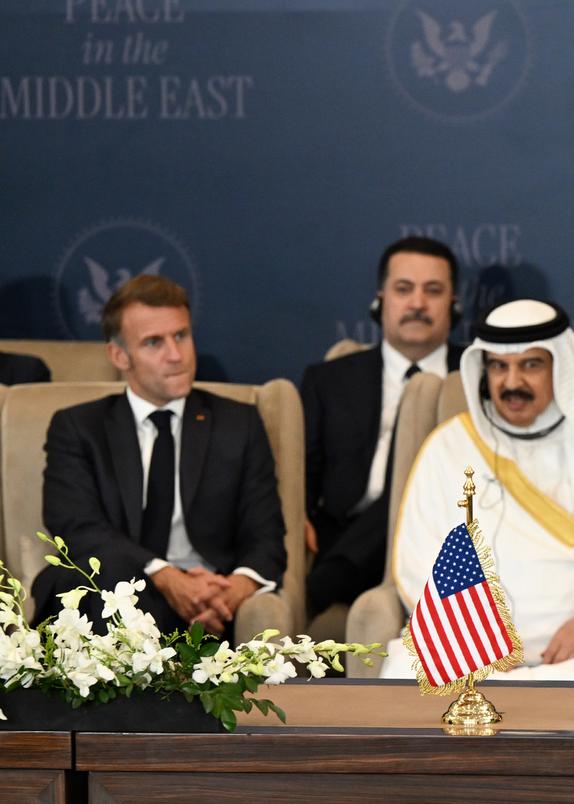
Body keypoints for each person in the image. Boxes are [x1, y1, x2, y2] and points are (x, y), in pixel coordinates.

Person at [385, 298, 574, 680]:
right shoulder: (448, 446)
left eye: (530, 365)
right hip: (474, 646)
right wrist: (478, 639)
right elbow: (419, 562)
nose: (512, 382)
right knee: (405, 665)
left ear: (560, 368)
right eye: (498, 366)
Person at [34, 275, 286, 635]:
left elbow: (267, 537)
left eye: (181, 335)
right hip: (112, 594)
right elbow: (77, 527)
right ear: (119, 355)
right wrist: (164, 575)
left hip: (208, 601)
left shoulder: (239, 423)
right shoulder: (78, 427)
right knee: (108, 576)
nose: (176, 355)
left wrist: (228, 594)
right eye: (154, 342)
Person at [300, 236, 465, 624]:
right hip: (345, 533)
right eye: (404, 289)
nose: (418, 304)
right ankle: (339, 571)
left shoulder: (478, 377)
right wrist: (297, 514)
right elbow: (300, 472)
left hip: (439, 538)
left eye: (433, 291)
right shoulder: (330, 380)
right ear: (381, 300)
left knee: (417, 480)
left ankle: (331, 580)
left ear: (453, 304)